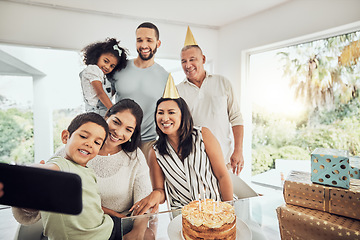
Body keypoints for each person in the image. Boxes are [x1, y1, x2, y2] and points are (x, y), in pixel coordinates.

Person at [13, 100, 153, 239]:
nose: (119, 132)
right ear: (107, 117)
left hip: (111, 225)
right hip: (77, 227)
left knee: (147, 235)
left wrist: (137, 232)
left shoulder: (135, 157)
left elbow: (143, 201)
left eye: (128, 129)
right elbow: (44, 177)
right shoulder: (69, 154)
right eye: (116, 122)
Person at [131, 76, 233, 214]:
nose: (165, 118)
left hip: (216, 209)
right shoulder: (155, 152)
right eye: (160, 113)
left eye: (171, 112)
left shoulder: (203, 134)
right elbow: (160, 191)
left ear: (182, 115)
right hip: (182, 215)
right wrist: (154, 195)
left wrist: (229, 210)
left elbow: (222, 175)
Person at [14, 112, 121, 239]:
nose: (90, 144)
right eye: (83, 136)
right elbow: (39, 172)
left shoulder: (88, 172)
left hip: (105, 229)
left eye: (97, 143)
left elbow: (93, 206)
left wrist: (117, 215)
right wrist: (34, 171)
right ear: (65, 137)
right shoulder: (62, 165)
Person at [177, 27, 244, 175]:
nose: (187, 65)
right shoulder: (177, 91)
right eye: (183, 61)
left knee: (226, 198)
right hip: (193, 161)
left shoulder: (223, 82)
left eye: (192, 59)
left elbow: (236, 118)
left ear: (203, 59)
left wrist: (238, 150)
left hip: (225, 159)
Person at [112, 22, 168, 164]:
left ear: (158, 43)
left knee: (146, 185)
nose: (144, 45)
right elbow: (102, 99)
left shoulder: (165, 77)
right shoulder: (119, 69)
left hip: (148, 143)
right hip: (118, 138)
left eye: (149, 40)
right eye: (139, 40)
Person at [81, 37, 128, 117]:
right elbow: (100, 93)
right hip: (95, 112)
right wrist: (114, 111)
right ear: (97, 56)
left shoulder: (103, 76)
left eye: (112, 66)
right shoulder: (93, 69)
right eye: (105, 61)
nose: (107, 67)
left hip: (103, 111)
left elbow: (108, 94)